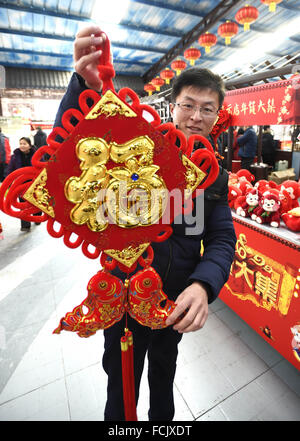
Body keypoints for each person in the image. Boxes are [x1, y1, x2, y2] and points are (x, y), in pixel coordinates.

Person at [53, 25, 237, 421]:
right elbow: (72, 148)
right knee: (121, 388)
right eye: (189, 105)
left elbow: (222, 236)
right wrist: (82, 85)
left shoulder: (215, 176)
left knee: (164, 378)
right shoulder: (141, 147)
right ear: (173, 105)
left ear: (217, 115)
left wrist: (204, 285)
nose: (197, 116)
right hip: (121, 297)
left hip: (174, 301)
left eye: (208, 108)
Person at [5, 137, 37, 232]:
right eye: (20, 144)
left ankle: (37, 216)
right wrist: (8, 182)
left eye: (24, 144)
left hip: (33, 183)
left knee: (36, 203)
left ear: (30, 145)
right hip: (20, 185)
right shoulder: (15, 156)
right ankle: (25, 225)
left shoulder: (36, 154)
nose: (22, 146)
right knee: (22, 205)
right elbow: (10, 170)